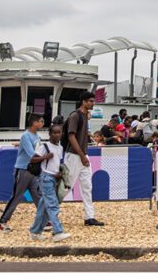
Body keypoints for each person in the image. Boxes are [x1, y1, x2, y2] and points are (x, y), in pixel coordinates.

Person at [0, 113, 45, 231]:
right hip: (23, 170)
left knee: (38, 196)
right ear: (34, 123)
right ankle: (2, 223)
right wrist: (47, 157)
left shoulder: (37, 136)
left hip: (32, 171)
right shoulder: (26, 136)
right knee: (16, 197)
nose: (43, 123)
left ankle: (44, 220)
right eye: (41, 121)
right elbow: (32, 154)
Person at [64, 91, 104, 227]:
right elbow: (71, 136)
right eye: (91, 101)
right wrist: (82, 155)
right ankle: (48, 216)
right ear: (84, 102)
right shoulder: (75, 116)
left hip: (82, 154)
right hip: (75, 155)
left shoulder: (85, 115)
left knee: (87, 186)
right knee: (65, 186)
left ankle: (89, 216)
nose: (93, 103)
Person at [29, 123, 72, 243]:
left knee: (43, 207)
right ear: (50, 134)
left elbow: (57, 163)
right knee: (53, 205)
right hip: (45, 178)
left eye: (59, 132)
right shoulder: (44, 146)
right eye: (55, 132)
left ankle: (35, 231)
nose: (57, 135)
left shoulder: (60, 148)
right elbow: (32, 159)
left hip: (54, 178)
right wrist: (45, 157)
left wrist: (58, 173)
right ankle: (57, 232)